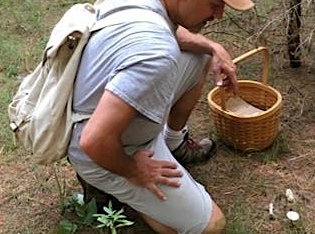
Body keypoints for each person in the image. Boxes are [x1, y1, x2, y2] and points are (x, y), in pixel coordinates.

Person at [67, 0, 254, 233]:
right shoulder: (156, 53)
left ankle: (173, 143)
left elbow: (176, 34)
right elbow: (93, 139)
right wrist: (134, 171)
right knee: (210, 225)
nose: (218, 15)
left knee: (200, 55)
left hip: (98, 114)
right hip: (101, 147)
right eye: (214, 3)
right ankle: (111, 181)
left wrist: (213, 47)